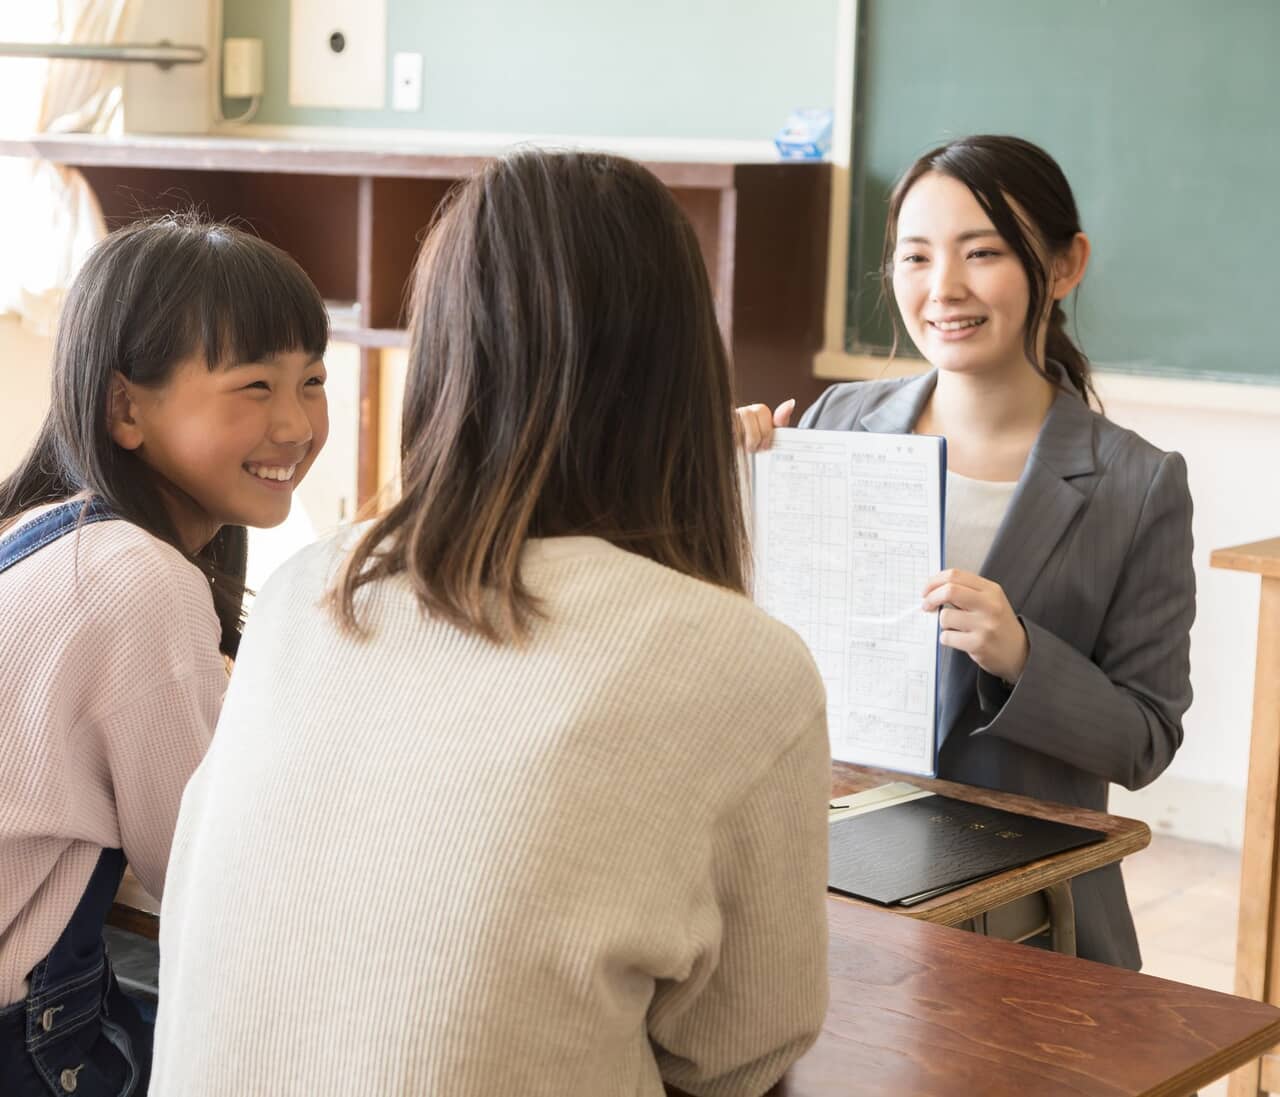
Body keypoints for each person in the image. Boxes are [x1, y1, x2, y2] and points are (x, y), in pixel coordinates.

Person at [150, 150, 831, 1097]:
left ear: (442, 356)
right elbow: (742, 1051)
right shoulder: (742, 661)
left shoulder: (314, 584)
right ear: (681, 370)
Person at [739, 134, 1194, 970]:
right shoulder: (837, 425)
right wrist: (734, 487)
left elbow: (1146, 739)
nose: (942, 289)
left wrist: (1023, 654)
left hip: (1023, 921)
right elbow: (753, 644)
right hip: (826, 894)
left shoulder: (1137, 484)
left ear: (1064, 266)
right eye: (914, 257)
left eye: (982, 253)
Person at [0, 213, 330, 1095]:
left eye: (313, 379)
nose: (297, 422)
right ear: (125, 407)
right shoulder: (137, 580)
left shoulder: (42, 529)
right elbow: (200, 859)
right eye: (255, 385)